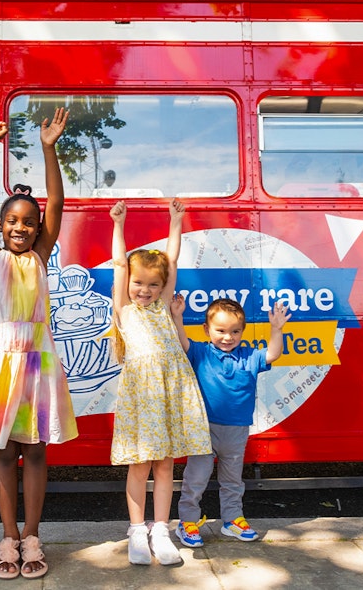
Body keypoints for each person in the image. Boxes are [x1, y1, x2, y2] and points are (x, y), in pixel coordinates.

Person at [0, 108, 79, 580]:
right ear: (1, 223)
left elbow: (58, 205)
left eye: (28, 222)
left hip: (37, 365)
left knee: (35, 452)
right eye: (11, 220)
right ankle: (7, 536)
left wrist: (49, 148)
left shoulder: (41, 255)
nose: (20, 227)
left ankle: (33, 535)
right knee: (4, 453)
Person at [108, 199, 212, 566]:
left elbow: (172, 260)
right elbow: (121, 263)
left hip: (171, 390)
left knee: (166, 465)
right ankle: (137, 530)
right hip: (143, 395)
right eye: (139, 283)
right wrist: (119, 224)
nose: (145, 290)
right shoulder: (125, 312)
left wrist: (176, 221)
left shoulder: (165, 309)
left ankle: (161, 529)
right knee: (141, 465)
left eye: (153, 285)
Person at [170, 297, 292, 547]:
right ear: (207, 330)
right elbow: (181, 343)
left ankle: (232, 520)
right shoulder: (201, 352)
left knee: (232, 480)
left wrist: (276, 329)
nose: (228, 337)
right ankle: (187, 522)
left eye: (235, 331)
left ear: (242, 332)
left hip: (236, 430)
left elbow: (273, 354)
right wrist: (177, 317)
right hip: (203, 429)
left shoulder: (249, 356)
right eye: (221, 331)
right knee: (196, 477)